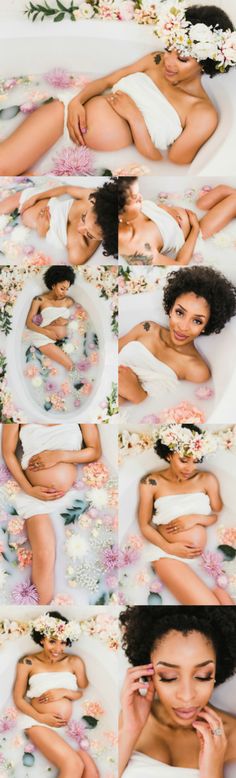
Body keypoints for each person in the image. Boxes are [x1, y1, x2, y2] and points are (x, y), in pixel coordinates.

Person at [0, 6, 235, 173]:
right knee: (4, 166)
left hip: (89, 161)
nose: (170, 61)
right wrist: (76, 103)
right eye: (170, 49)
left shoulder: (202, 114)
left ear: (204, 64)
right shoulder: (155, 60)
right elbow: (105, 82)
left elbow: (166, 161)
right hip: (63, 119)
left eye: (182, 58)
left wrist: (135, 119)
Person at [119, 606, 236, 777]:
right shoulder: (129, 719)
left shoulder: (232, 737)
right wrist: (130, 730)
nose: (187, 696)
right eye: (169, 677)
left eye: (203, 676)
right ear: (149, 672)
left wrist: (213, 771)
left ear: (217, 672)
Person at [2, 423, 101, 603]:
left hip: (73, 492)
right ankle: (41, 615)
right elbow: (8, 452)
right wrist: (29, 489)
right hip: (35, 498)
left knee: (85, 553)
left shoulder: (82, 408)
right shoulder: (16, 407)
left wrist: (58, 455)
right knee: (44, 553)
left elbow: (94, 451)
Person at [138, 423, 233, 605]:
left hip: (204, 560)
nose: (189, 468)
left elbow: (216, 514)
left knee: (223, 603)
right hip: (168, 556)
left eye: (195, 460)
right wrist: (169, 548)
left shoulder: (207, 479)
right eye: (183, 460)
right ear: (168, 454)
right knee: (213, 607)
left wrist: (195, 518)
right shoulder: (151, 482)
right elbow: (144, 525)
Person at [118, 266, 236, 404]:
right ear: (170, 309)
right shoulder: (147, 328)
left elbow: (157, 406)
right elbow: (109, 354)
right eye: (180, 313)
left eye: (197, 321)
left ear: (206, 326)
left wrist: (135, 391)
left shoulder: (196, 370)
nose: (183, 327)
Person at [13, 611, 99, 778]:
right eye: (52, 641)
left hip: (67, 728)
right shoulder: (28, 662)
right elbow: (18, 699)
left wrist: (65, 692)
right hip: (38, 723)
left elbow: (82, 691)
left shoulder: (74, 662)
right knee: (73, 765)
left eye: (63, 643)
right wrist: (41, 717)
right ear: (42, 639)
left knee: (91, 773)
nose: (58, 649)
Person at [118, 179, 236, 266]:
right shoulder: (141, 253)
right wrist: (194, 228)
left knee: (203, 203)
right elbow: (180, 263)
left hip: (186, 209)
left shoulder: (129, 212)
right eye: (133, 197)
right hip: (194, 232)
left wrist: (165, 209)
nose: (140, 197)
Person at [0, 179, 118, 262]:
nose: (79, 228)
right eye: (83, 217)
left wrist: (42, 232)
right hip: (41, 199)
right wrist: (34, 198)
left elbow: (47, 249)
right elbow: (66, 189)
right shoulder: (93, 199)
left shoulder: (78, 253)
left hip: (34, 228)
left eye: (89, 235)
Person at [25, 266, 77, 372]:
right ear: (53, 285)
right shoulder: (39, 300)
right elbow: (29, 323)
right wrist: (47, 333)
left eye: (67, 289)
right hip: (43, 338)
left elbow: (76, 317)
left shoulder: (68, 301)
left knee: (71, 366)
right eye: (62, 288)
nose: (65, 292)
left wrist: (66, 321)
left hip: (62, 339)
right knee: (70, 366)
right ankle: (78, 385)